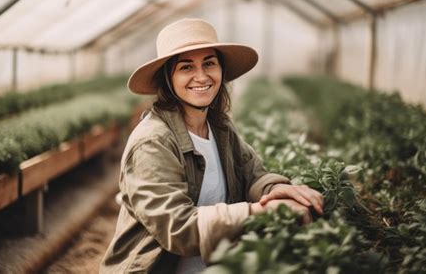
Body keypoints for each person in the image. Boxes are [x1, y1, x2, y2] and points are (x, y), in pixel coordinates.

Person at [100, 18, 323, 273]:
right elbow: (177, 227)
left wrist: (279, 189)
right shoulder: (153, 142)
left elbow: (252, 175)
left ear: (221, 70)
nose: (201, 76)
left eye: (209, 63)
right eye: (186, 67)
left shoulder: (220, 127)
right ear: (167, 78)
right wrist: (257, 212)